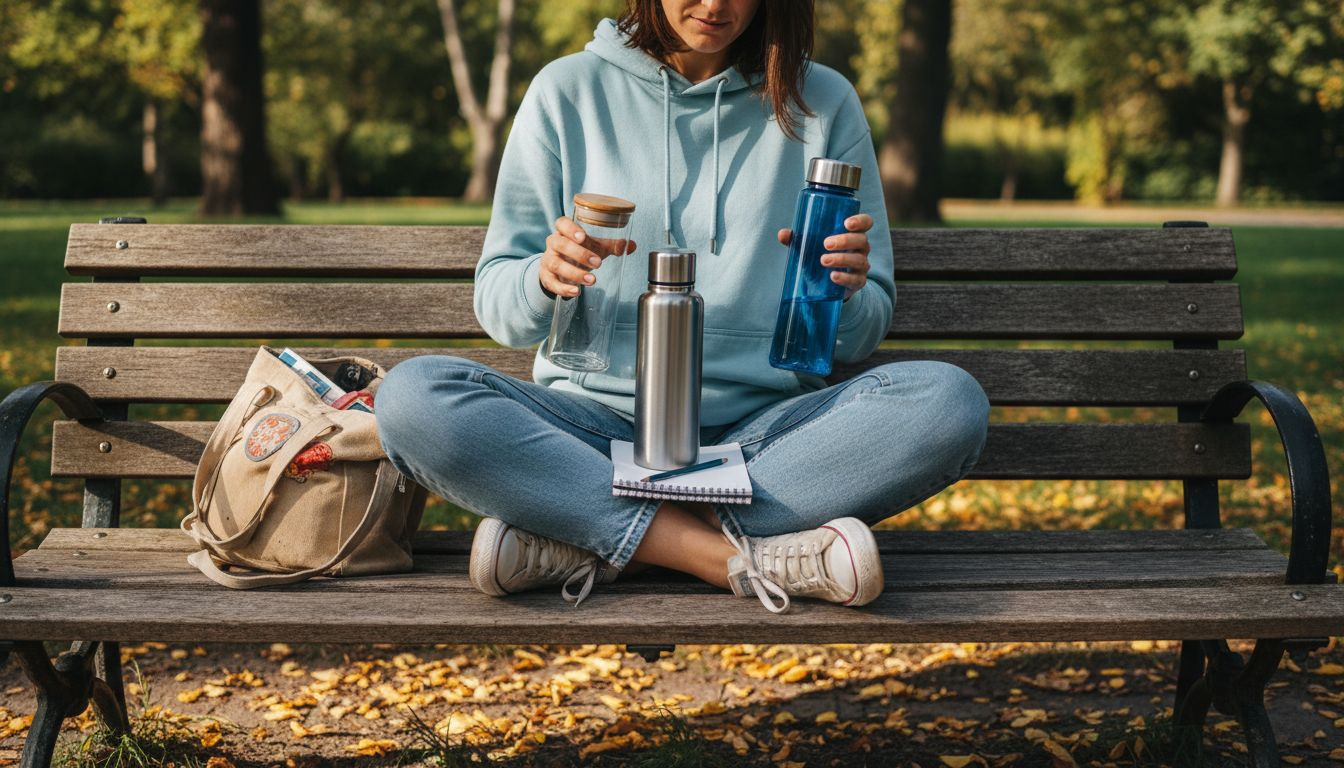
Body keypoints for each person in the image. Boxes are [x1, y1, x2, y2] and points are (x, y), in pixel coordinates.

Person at [376, 0, 990, 614]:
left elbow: (860, 337)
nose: (716, 4)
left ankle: (594, 539)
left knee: (947, 403)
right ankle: (725, 558)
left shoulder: (822, 99)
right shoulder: (568, 91)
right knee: (414, 396)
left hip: (766, 440)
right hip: (593, 433)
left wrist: (845, 292)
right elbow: (500, 309)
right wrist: (543, 276)